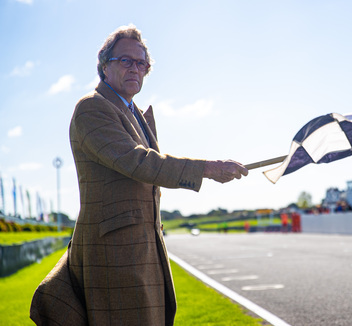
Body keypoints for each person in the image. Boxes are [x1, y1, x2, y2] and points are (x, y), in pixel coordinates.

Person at [30, 25, 248, 326]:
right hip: (115, 258)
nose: (136, 68)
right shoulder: (92, 108)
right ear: (104, 65)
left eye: (141, 63)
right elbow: (138, 161)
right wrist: (206, 168)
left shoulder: (132, 112)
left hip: (144, 252)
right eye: (125, 61)